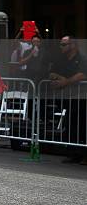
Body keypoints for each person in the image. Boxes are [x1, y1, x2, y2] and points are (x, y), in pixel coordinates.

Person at [50, 36, 87, 165]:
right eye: (60, 44)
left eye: (64, 44)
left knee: (83, 126)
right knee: (71, 125)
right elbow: (52, 72)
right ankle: (73, 153)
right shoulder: (61, 59)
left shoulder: (81, 58)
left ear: (73, 45)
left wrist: (66, 81)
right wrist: (57, 77)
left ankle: (84, 154)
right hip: (68, 98)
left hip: (82, 97)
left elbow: (82, 74)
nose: (61, 47)